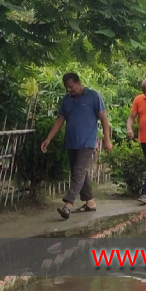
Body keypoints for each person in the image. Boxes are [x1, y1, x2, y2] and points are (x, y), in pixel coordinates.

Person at [41, 72, 112, 220]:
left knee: (79, 171)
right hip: (71, 142)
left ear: (78, 83)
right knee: (79, 173)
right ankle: (90, 202)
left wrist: (107, 139)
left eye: (71, 87)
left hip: (87, 142)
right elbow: (60, 119)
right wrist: (49, 138)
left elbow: (104, 119)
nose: (69, 90)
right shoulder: (66, 100)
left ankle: (68, 204)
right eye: (67, 88)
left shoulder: (93, 96)